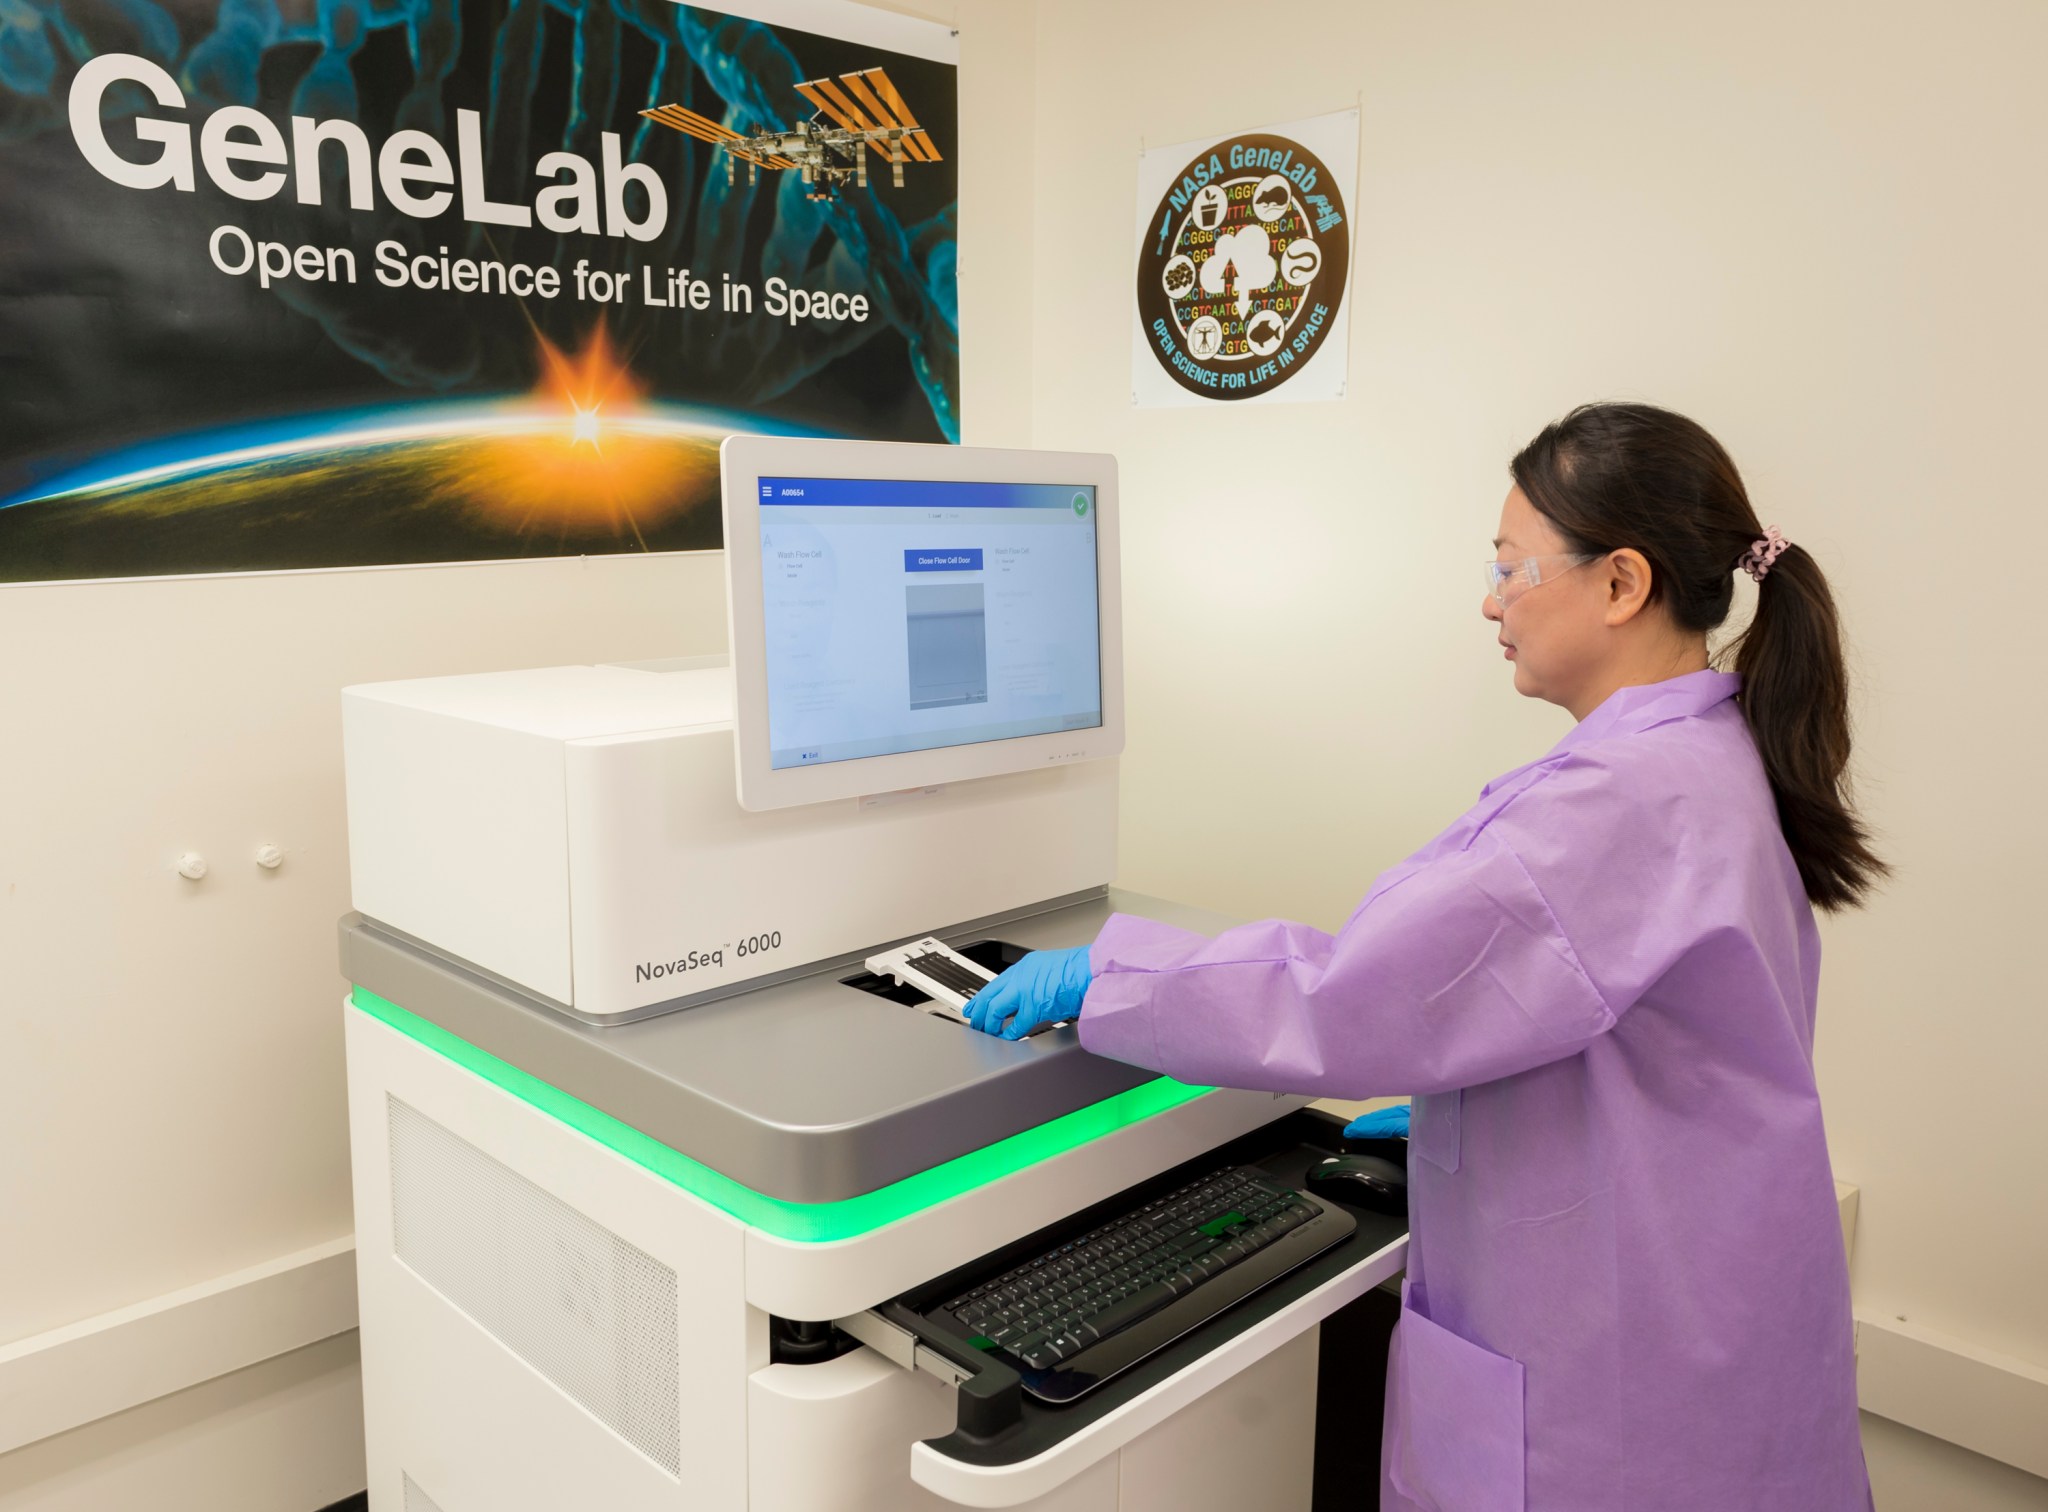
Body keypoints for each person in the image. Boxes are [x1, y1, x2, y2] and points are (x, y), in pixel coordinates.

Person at [968, 402, 1880, 1511]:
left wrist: (1109, 977)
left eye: (1511, 568)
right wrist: (1483, 1121)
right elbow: (1621, 1020)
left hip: (1615, 1390)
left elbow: (1347, 1000)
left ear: (1618, 584)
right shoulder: (1706, 750)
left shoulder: (1611, 806)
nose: (1489, 600)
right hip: (1706, 1305)